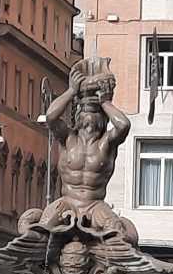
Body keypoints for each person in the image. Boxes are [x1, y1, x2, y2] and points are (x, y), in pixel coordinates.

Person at [40, 59, 131, 233]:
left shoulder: (107, 142)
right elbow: (50, 117)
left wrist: (105, 102)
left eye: (95, 112)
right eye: (85, 111)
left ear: (103, 117)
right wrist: (71, 91)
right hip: (67, 202)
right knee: (43, 228)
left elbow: (124, 125)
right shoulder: (67, 138)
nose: (89, 117)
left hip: (95, 205)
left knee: (115, 232)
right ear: (77, 115)